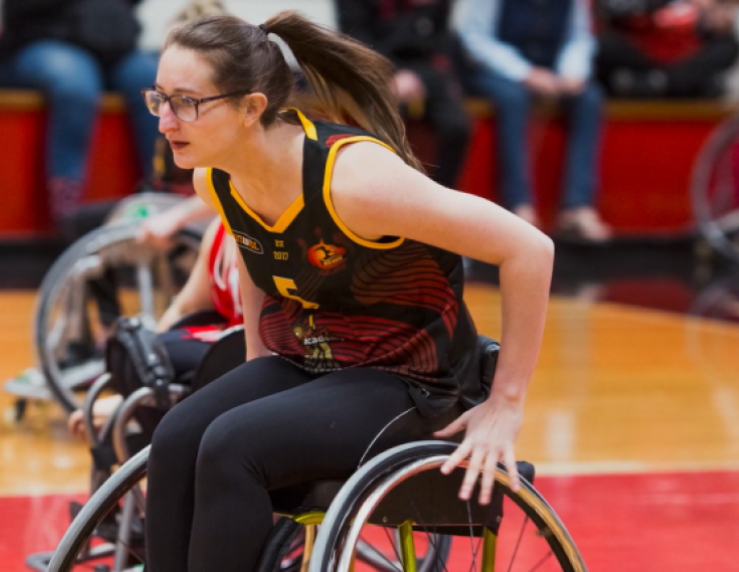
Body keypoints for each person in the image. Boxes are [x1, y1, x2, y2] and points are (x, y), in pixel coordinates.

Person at [142, 11, 554, 572]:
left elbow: (530, 249)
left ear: (251, 109)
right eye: (159, 98)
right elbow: (252, 243)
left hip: (410, 379)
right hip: (313, 357)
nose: (166, 120)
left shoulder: (354, 181)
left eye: (186, 102)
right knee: (175, 436)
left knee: (232, 445)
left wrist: (505, 404)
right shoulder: (215, 176)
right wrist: (256, 360)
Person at [0, 0, 160, 231]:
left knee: (155, 81)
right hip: (42, 40)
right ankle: (67, 213)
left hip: (113, 46)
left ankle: (164, 193)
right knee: (75, 85)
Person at [66, 215, 241, 439]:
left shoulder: (261, 229)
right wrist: (145, 357)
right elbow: (184, 307)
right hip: (222, 339)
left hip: (248, 347)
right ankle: (151, 441)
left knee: (151, 354)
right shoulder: (218, 228)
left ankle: (157, 445)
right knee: (128, 347)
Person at [455, 0, 612, 241]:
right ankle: (518, 205)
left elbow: (579, 38)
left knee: (589, 99)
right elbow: (472, 38)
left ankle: (577, 207)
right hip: (493, 69)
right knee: (513, 99)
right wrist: (524, 73)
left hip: (551, 69)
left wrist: (572, 72)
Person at [336, 0, 472, 188]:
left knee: (457, 126)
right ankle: (387, 192)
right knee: (393, 118)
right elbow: (353, 41)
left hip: (422, 71)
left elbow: (439, 42)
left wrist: (420, 75)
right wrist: (390, 73)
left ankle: (441, 194)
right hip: (371, 68)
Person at [595, 0, 739, 98]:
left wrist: (712, 16)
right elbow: (613, 9)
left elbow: (721, 28)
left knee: (729, 47)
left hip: (682, 65)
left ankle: (655, 83)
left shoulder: (703, 9)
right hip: (641, 51)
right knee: (602, 44)